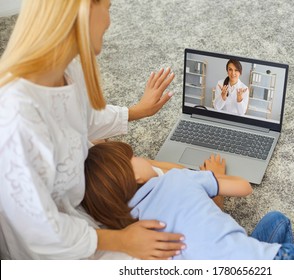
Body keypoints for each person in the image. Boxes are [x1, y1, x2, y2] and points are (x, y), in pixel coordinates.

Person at [0, 0, 185, 260]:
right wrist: (124, 240)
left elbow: (83, 117)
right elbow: (38, 233)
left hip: (79, 209)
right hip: (54, 247)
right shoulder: (16, 115)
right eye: (108, 7)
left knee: (171, 198)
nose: (109, 21)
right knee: (173, 254)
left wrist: (137, 111)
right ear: (85, 8)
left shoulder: (67, 67)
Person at [83, 141, 294, 260]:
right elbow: (243, 188)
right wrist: (212, 176)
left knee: (277, 221)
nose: (142, 157)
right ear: (137, 176)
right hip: (255, 264)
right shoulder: (177, 179)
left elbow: (208, 218)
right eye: (135, 157)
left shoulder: (130, 229)